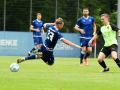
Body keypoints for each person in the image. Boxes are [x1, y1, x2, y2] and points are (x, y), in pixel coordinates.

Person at [17, 17, 81, 65]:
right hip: (48, 50)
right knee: (51, 63)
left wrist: (53, 23)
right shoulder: (57, 32)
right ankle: (41, 56)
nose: (62, 26)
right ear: (59, 25)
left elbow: (44, 24)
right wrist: (75, 45)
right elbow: (65, 41)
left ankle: (26, 58)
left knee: (39, 56)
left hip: (43, 46)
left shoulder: (50, 26)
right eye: (62, 25)